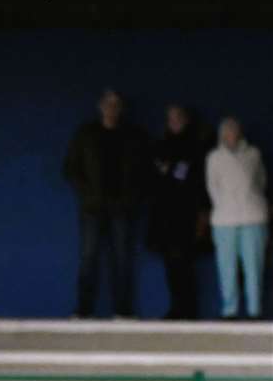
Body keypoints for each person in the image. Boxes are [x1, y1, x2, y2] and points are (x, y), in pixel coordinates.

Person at [63, 90, 148, 318]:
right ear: (100, 107)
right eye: (108, 104)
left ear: (121, 108)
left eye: (116, 104)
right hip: (92, 208)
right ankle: (83, 311)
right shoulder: (86, 134)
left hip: (122, 209)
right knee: (88, 258)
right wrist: (87, 195)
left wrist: (131, 198)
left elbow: (143, 171)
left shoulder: (132, 136)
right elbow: (71, 168)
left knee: (122, 260)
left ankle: (123, 312)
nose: (111, 108)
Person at [148, 104, 210, 320]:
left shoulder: (196, 146)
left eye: (178, 117)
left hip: (187, 216)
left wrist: (172, 171)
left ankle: (189, 309)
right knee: (171, 264)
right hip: (165, 216)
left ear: (186, 120)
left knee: (185, 263)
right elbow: (157, 176)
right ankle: (176, 307)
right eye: (171, 118)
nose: (175, 122)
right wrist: (170, 172)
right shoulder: (160, 145)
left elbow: (193, 178)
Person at [205, 117, 268, 319]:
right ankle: (229, 311)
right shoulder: (214, 158)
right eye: (226, 132)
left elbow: (261, 181)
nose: (230, 135)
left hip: (253, 218)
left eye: (234, 131)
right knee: (227, 268)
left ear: (239, 134)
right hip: (224, 220)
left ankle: (254, 311)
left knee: (254, 268)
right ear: (221, 135)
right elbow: (212, 187)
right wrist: (225, 205)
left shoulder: (253, 154)